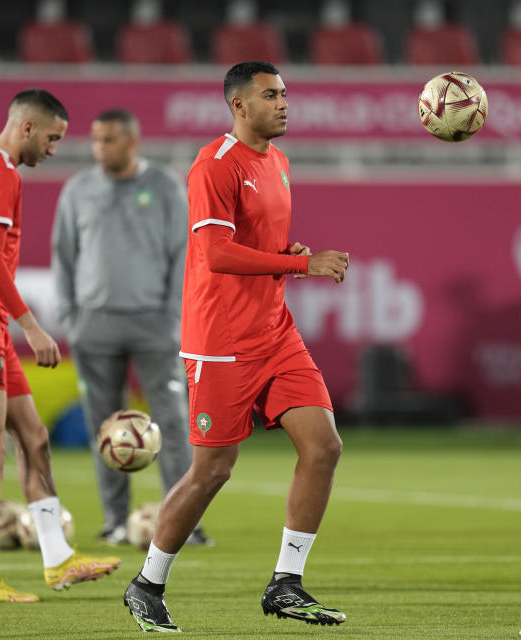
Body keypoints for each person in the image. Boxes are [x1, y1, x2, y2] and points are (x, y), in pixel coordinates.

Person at [122, 61, 351, 632]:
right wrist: (302, 263)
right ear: (238, 106)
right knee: (213, 470)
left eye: (285, 94)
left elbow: (254, 243)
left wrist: (284, 251)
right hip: (220, 342)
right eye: (270, 95)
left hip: (275, 333)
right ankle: (147, 583)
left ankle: (286, 584)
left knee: (323, 447)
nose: (283, 103)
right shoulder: (213, 166)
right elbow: (217, 254)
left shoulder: (278, 161)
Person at [0, 88, 121, 604]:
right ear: (27, 128)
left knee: (33, 437)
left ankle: (56, 559)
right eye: (53, 138)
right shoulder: (1, 174)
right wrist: (30, 325)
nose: (54, 149)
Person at [51, 108, 209, 546]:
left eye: (109, 140)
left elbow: (186, 252)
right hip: (94, 324)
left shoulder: (164, 188)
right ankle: (115, 522)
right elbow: (63, 253)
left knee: (174, 424)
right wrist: (70, 315)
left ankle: (185, 524)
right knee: (105, 428)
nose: (99, 148)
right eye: (96, 140)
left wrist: (175, 316)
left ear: (132, 142)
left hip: (155, 324)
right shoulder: (78, 190)